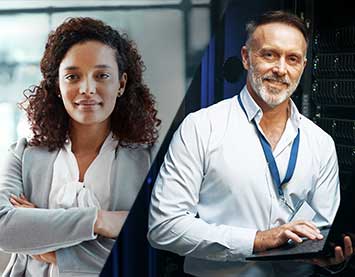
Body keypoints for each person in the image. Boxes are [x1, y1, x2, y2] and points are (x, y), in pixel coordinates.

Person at [148, 10, 353, 276]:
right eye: (269, 55)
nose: (280, 69)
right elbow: (164, 227)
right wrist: (257, 240)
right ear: (246, 57)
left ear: (303, 66)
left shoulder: (321, 143)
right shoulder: (201, 128)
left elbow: (324, 230)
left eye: (292, 59)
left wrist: (331, 257)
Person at [0, 17, 160, 276]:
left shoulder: (152, 160)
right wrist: (100, 220)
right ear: (57, 85)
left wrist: (51, 247)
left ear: (121, 84)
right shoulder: (21, 155)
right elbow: (4, 229)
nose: (87, 89)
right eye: (73, 76)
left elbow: (155, 252)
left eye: (102, 75)